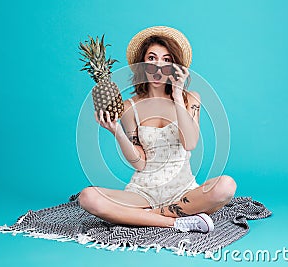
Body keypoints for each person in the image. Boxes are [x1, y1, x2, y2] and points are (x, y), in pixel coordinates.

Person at [78, 26, 237, 233]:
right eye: (151, 58)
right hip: (143, 192)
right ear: (142, 65)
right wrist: (116, 131)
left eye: (166, 60)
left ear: (175, 66)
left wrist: (178, 95)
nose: (158, 66)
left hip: (184, 191)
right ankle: (175, 221)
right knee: (88, 197)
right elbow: (141, 162)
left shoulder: (191, 99)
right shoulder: (129, 107)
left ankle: (145, 217)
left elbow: (190, 143)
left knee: (226, 186)